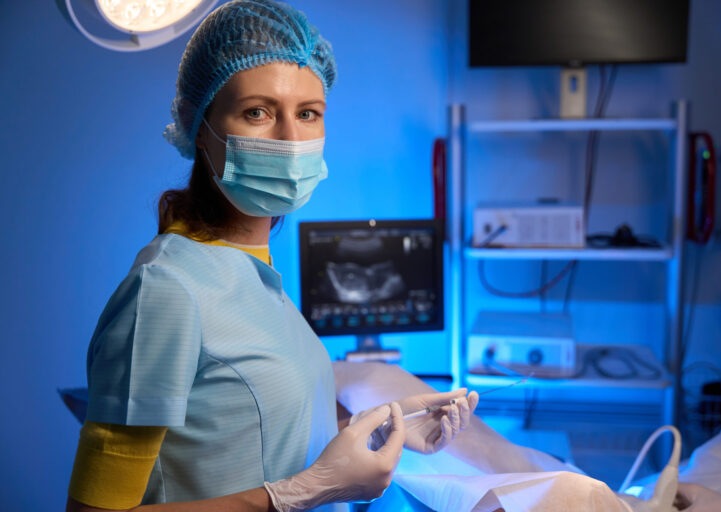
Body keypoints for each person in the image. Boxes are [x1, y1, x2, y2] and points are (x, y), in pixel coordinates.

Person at [65, 1, 479, 511]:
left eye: (308, 114)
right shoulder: (165, 291)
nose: (289, 139)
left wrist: (383, 427)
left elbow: (249, 432)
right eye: (257, 112)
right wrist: (304, 492)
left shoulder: (254, 273)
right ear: (201, 127)